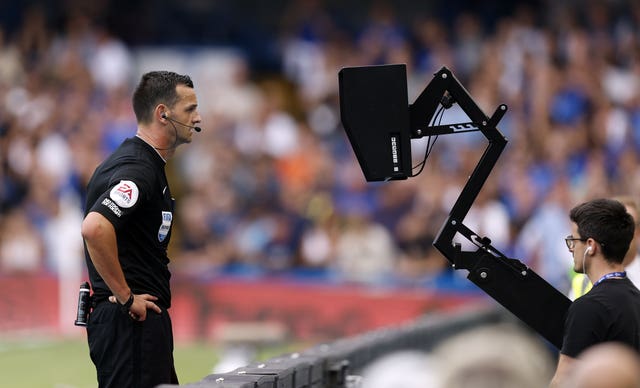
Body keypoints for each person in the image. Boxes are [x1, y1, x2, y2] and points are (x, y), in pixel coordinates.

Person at [81, 71, 202, 388]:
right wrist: (125, 297)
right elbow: (95, 227)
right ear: (163, 113)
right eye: (189, 109)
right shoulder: (138, 168)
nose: (197, 117)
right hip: (131, 324)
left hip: (137, 324)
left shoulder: (145, 165)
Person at [550, 198, 640, 387]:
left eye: (573, 240)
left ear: (591, 245)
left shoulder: (588, 307)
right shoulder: (636, 298)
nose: (571, 248)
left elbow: (564, 381)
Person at [569, 195, 640, 299]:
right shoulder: (582, 281)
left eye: (626, 224)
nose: (619, 231)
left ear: (638, 231)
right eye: (613, 226)